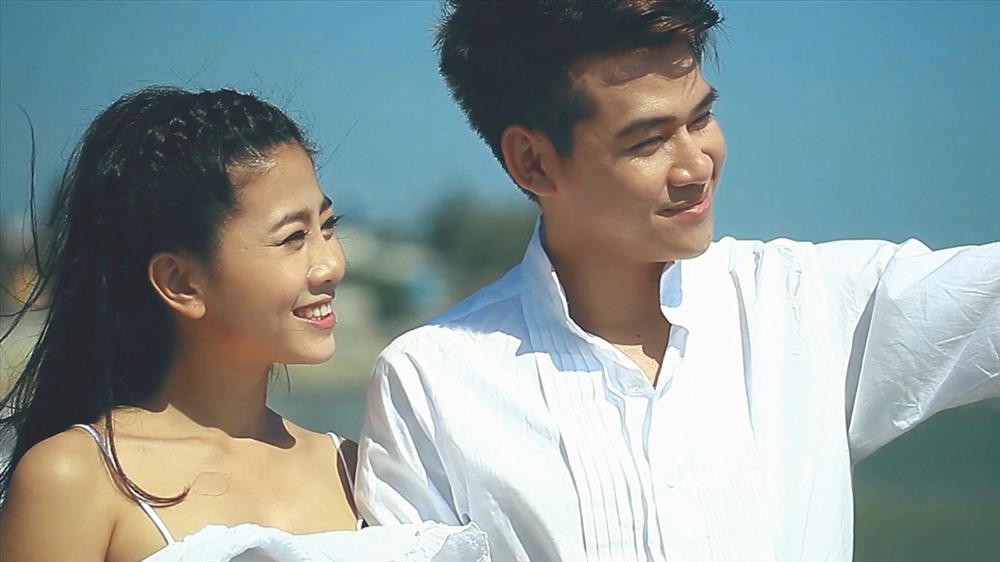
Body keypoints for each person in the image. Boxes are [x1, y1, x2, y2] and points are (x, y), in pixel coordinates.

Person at [355, 1, 1000, 560]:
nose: (696, 165)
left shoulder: (803, 304)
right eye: (647, 140)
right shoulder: (432, 382)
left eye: (700, 119)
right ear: (532, 161)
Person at [0, 86, 488, 562]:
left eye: (327, 226)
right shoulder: (77, 478)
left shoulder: (357, 471)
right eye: (293, 237)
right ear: (181, 282)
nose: (332, 264)